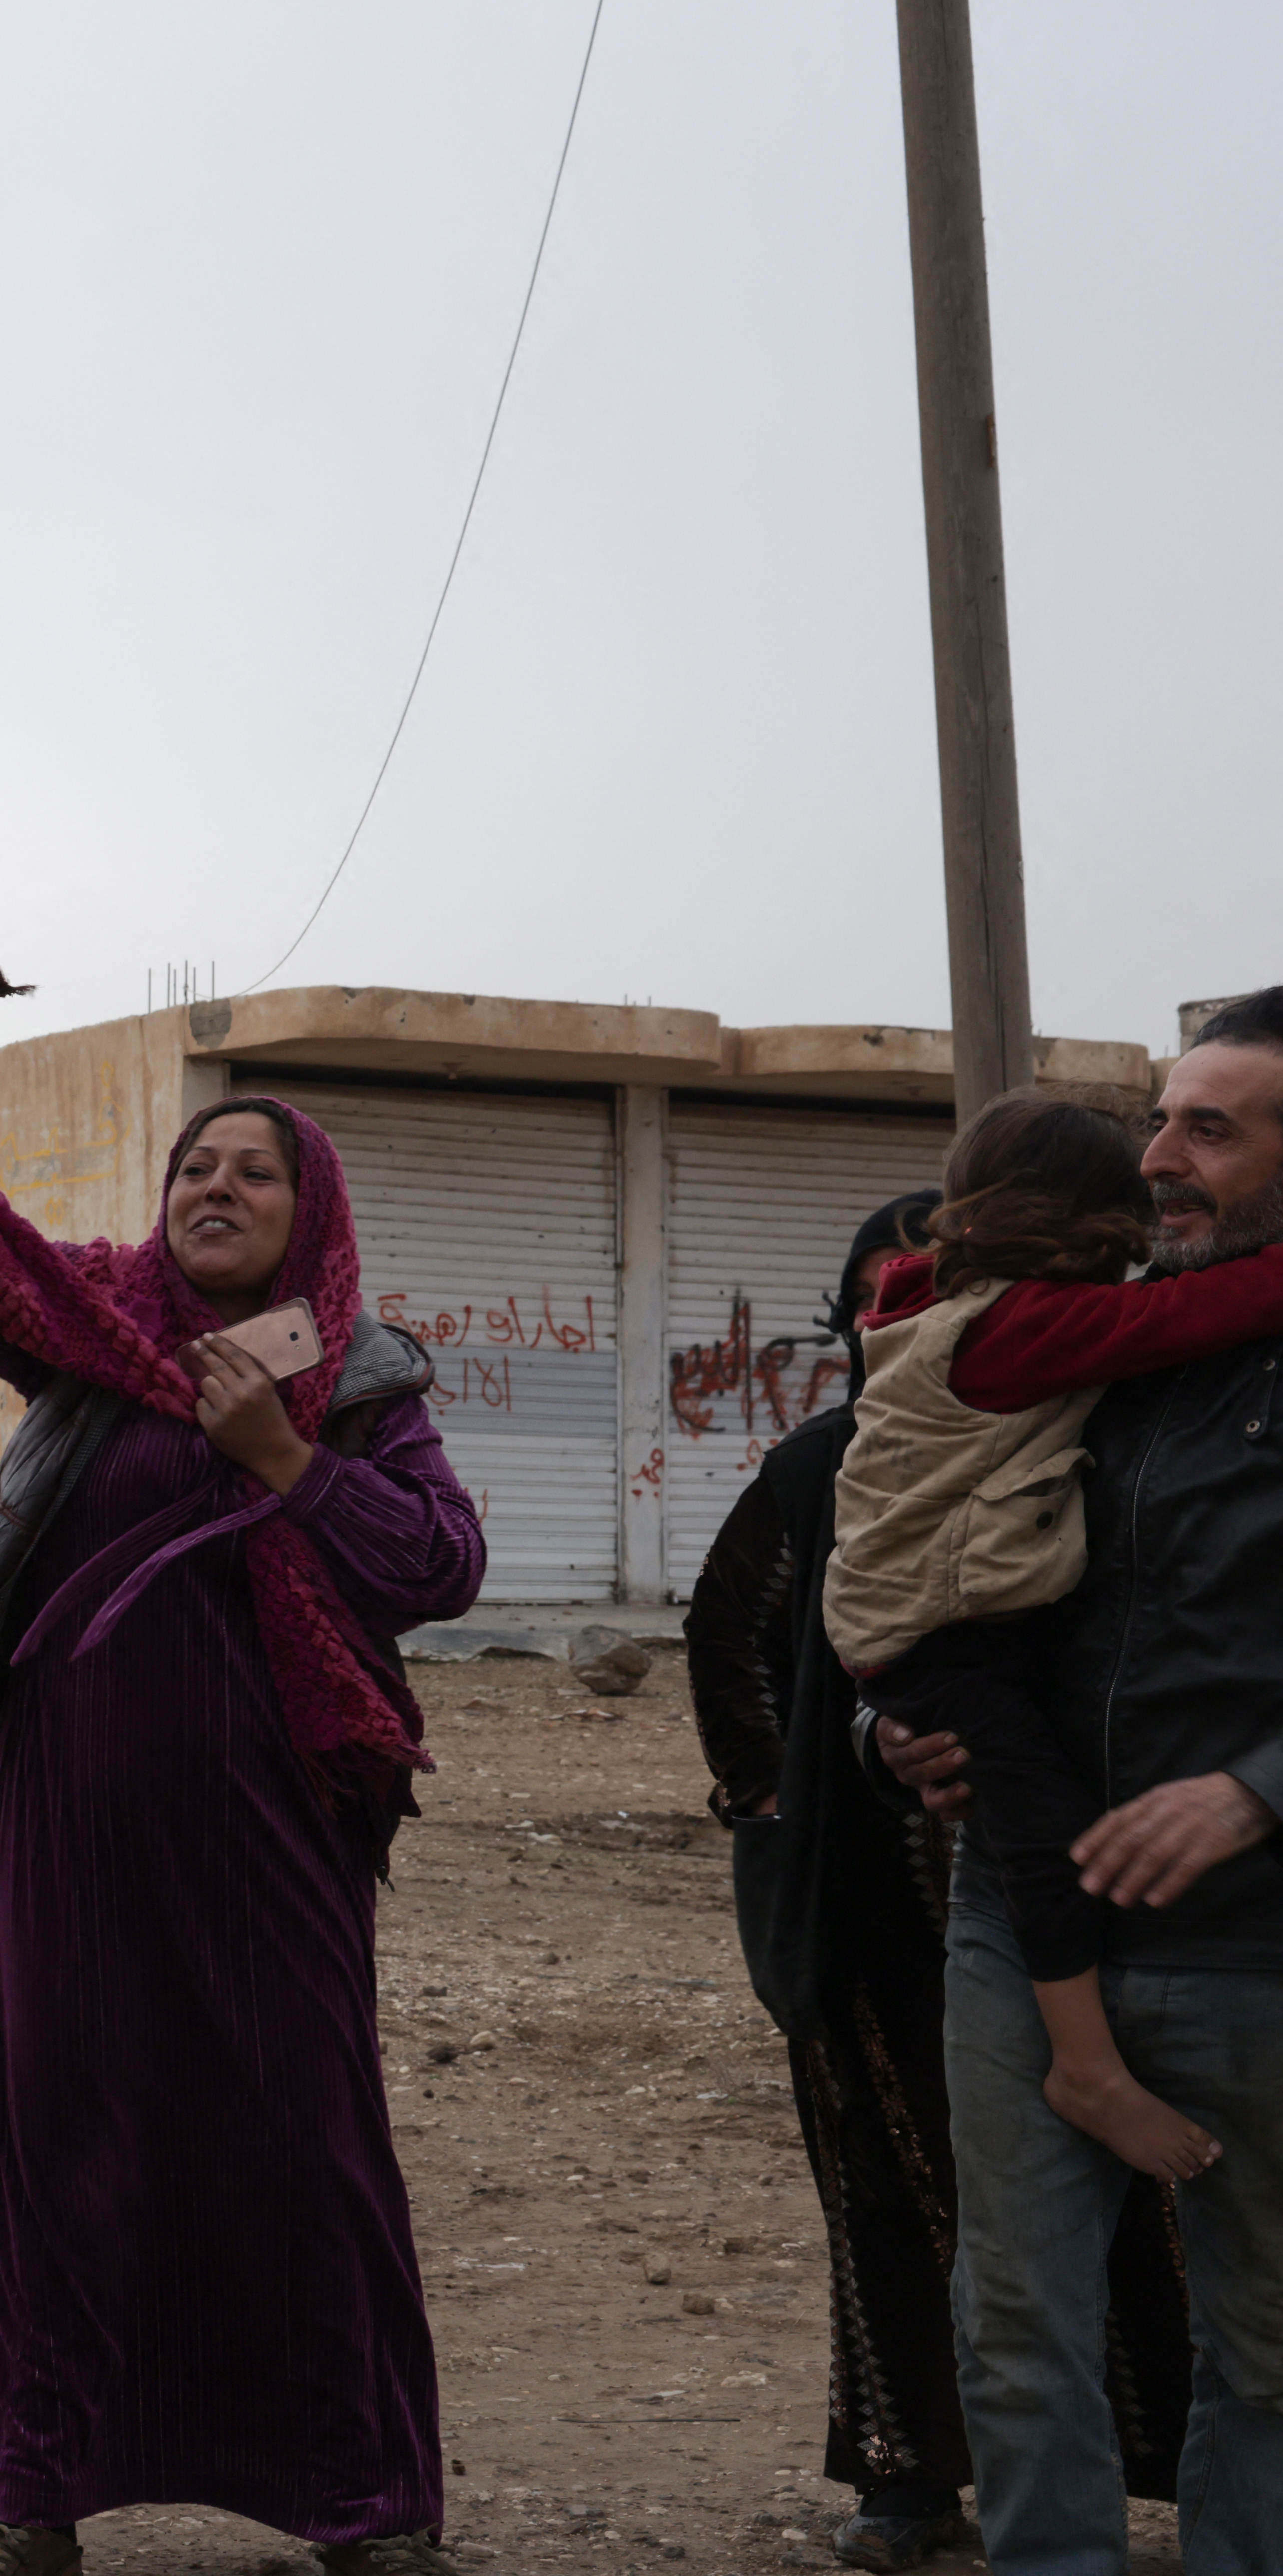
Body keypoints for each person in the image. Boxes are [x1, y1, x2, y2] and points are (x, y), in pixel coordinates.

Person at [0, 1067, 485, 2576]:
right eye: (197, 1166)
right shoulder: (92, 1333)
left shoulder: (357, 1376)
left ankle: (365, 2504)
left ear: (308, 1215)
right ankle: (37, 2498)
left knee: (306, 2147)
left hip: (274, 1841)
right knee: (65, 2143)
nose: (217, 1190)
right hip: (76, 1834)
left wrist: (280, 1457)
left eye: (256, 1173)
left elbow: (438, 1569)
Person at [689, 1194, 1196, 2569]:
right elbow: (736, 1651)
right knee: (894, 2200)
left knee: (1129, 2210)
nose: (888, 1321)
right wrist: (834, 1767)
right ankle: (909, 2478)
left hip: (1099, 1889)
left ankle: (1172, 2459)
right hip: (871, 1912)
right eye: (867, 1297)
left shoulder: (1094, 1439)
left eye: (915, 1290)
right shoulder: (820, 1467)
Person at [873, 991, 1283, 2576]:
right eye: (1160, 1122)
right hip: (1022, 1929)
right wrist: (887, 1735)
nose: (1160, 1161)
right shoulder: (1057, 1332)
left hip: (1255, 1940)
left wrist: (1256, 1788)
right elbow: (894, 1555)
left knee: (1266, 2352)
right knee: (1021, 2330)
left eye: (1211, 1130)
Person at [833, 1098, 1283, 2178]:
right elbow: (1191, 1314)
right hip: (938, 1635)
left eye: (1205, 1132)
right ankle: (1083, 2064)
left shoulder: (941, 1296)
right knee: (1040, 1832)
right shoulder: (1019, 1328)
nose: (1160, 1175)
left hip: (928, 1622)